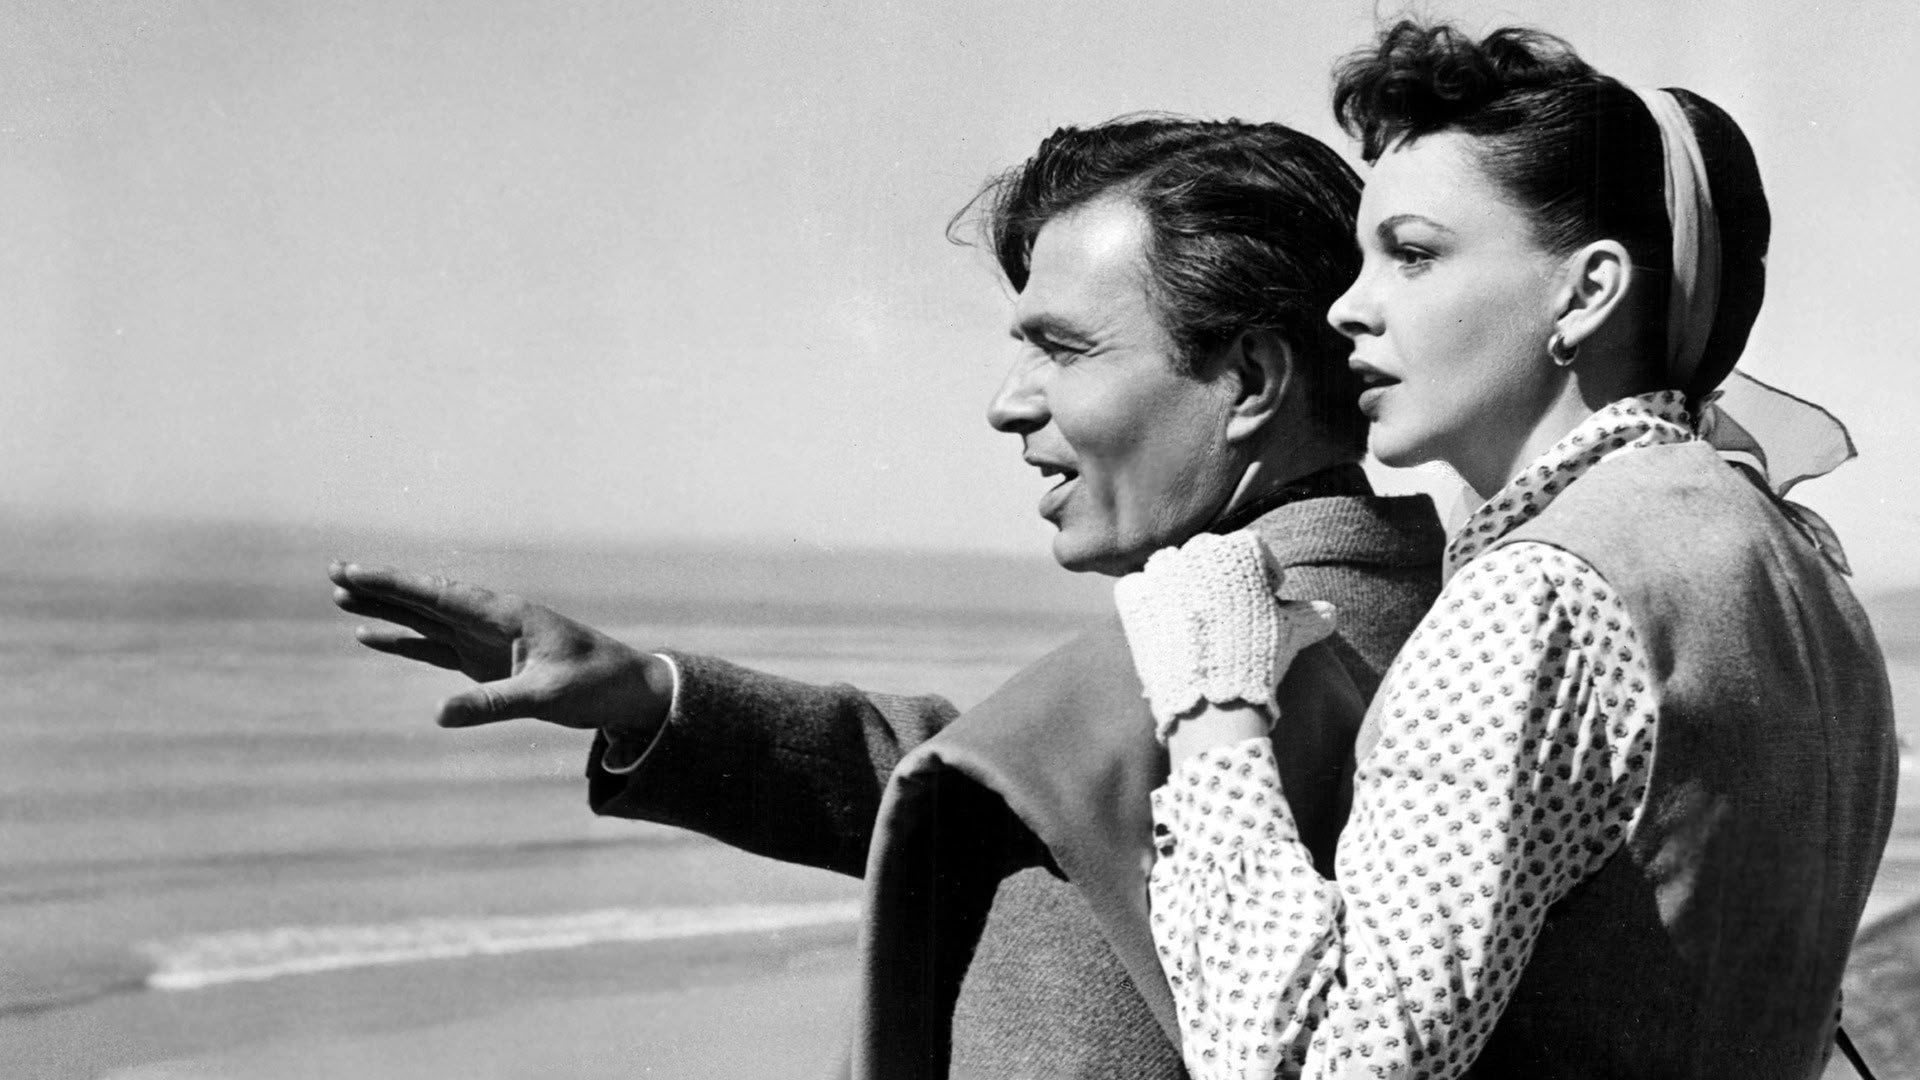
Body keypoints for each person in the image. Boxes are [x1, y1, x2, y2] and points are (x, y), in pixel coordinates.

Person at [329, 116, 1447, 1079]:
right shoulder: (1397, 615)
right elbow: (1017, 798)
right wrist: (648, 697)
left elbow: (1034, 800)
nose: (1010, 404)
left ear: (1250, 380)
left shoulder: (1225, 662)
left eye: (1063, 350)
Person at [1116, 22, 1900, 1080]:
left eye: (1413, 254)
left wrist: (1213, 711)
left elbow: (1317, 1069)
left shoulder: (1539, 594)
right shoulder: (1803, 571)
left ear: (1588, 291)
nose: (1349, 307)